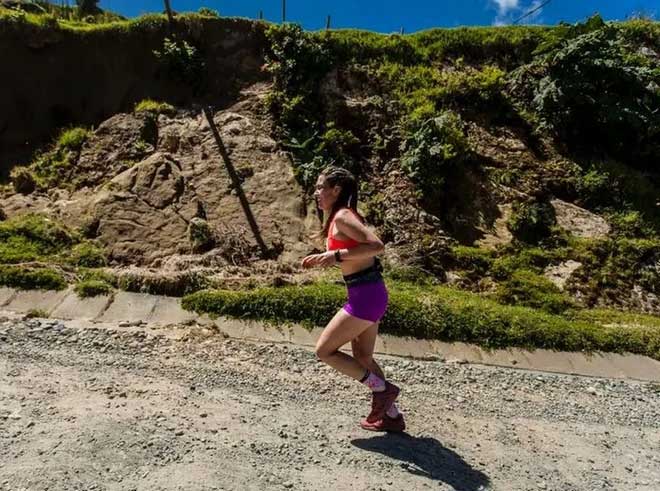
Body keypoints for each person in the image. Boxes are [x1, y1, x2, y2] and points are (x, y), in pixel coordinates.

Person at [301, 166, 405, 432]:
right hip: (368, 292)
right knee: (363, 357)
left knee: (324, 351)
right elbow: (355, 251)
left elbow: (377, 246)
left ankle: (381, 389)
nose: (316, 193)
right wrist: (325, 257)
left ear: (336, 190)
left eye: (320, 187)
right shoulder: (339, 217)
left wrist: (333, 257)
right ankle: (391, 417)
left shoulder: (343, 217)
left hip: (366, 297)